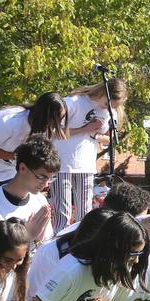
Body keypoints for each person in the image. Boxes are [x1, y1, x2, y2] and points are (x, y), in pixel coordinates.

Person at [51, 79, 128, 232]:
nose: (109, 108)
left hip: (86, 164)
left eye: (114, 107)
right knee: (63, 214)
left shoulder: (109, 112)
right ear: (103, 93)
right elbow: (53, 131)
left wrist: (96, 135)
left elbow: (109, 138)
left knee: (85, 213)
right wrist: (85, 129)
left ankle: (82, 241)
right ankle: (59, 242)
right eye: (108, 104)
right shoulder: (74, 102)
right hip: (62, 163)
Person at [0, 134, 57, 244]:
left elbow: (46, 245)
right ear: (22, 168)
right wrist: (27, 238)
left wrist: (38, 240)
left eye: (51, 178)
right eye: (41, 177)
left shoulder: (40, 201)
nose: (46, 185)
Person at [0, 93, 66, 188]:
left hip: (10, 172)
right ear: (44, 115)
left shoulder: (47, 129)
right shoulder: (8, 121)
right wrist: (16, 156)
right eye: (56, 119)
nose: (59, 123)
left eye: (62, 118)